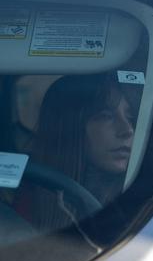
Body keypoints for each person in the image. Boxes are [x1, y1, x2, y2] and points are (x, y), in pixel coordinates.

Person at [24, 73, 136, 230]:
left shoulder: (144, 201)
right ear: (69, 130)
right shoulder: (25, 201)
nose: (127, 130)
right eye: (106, 116)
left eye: (130, 117)